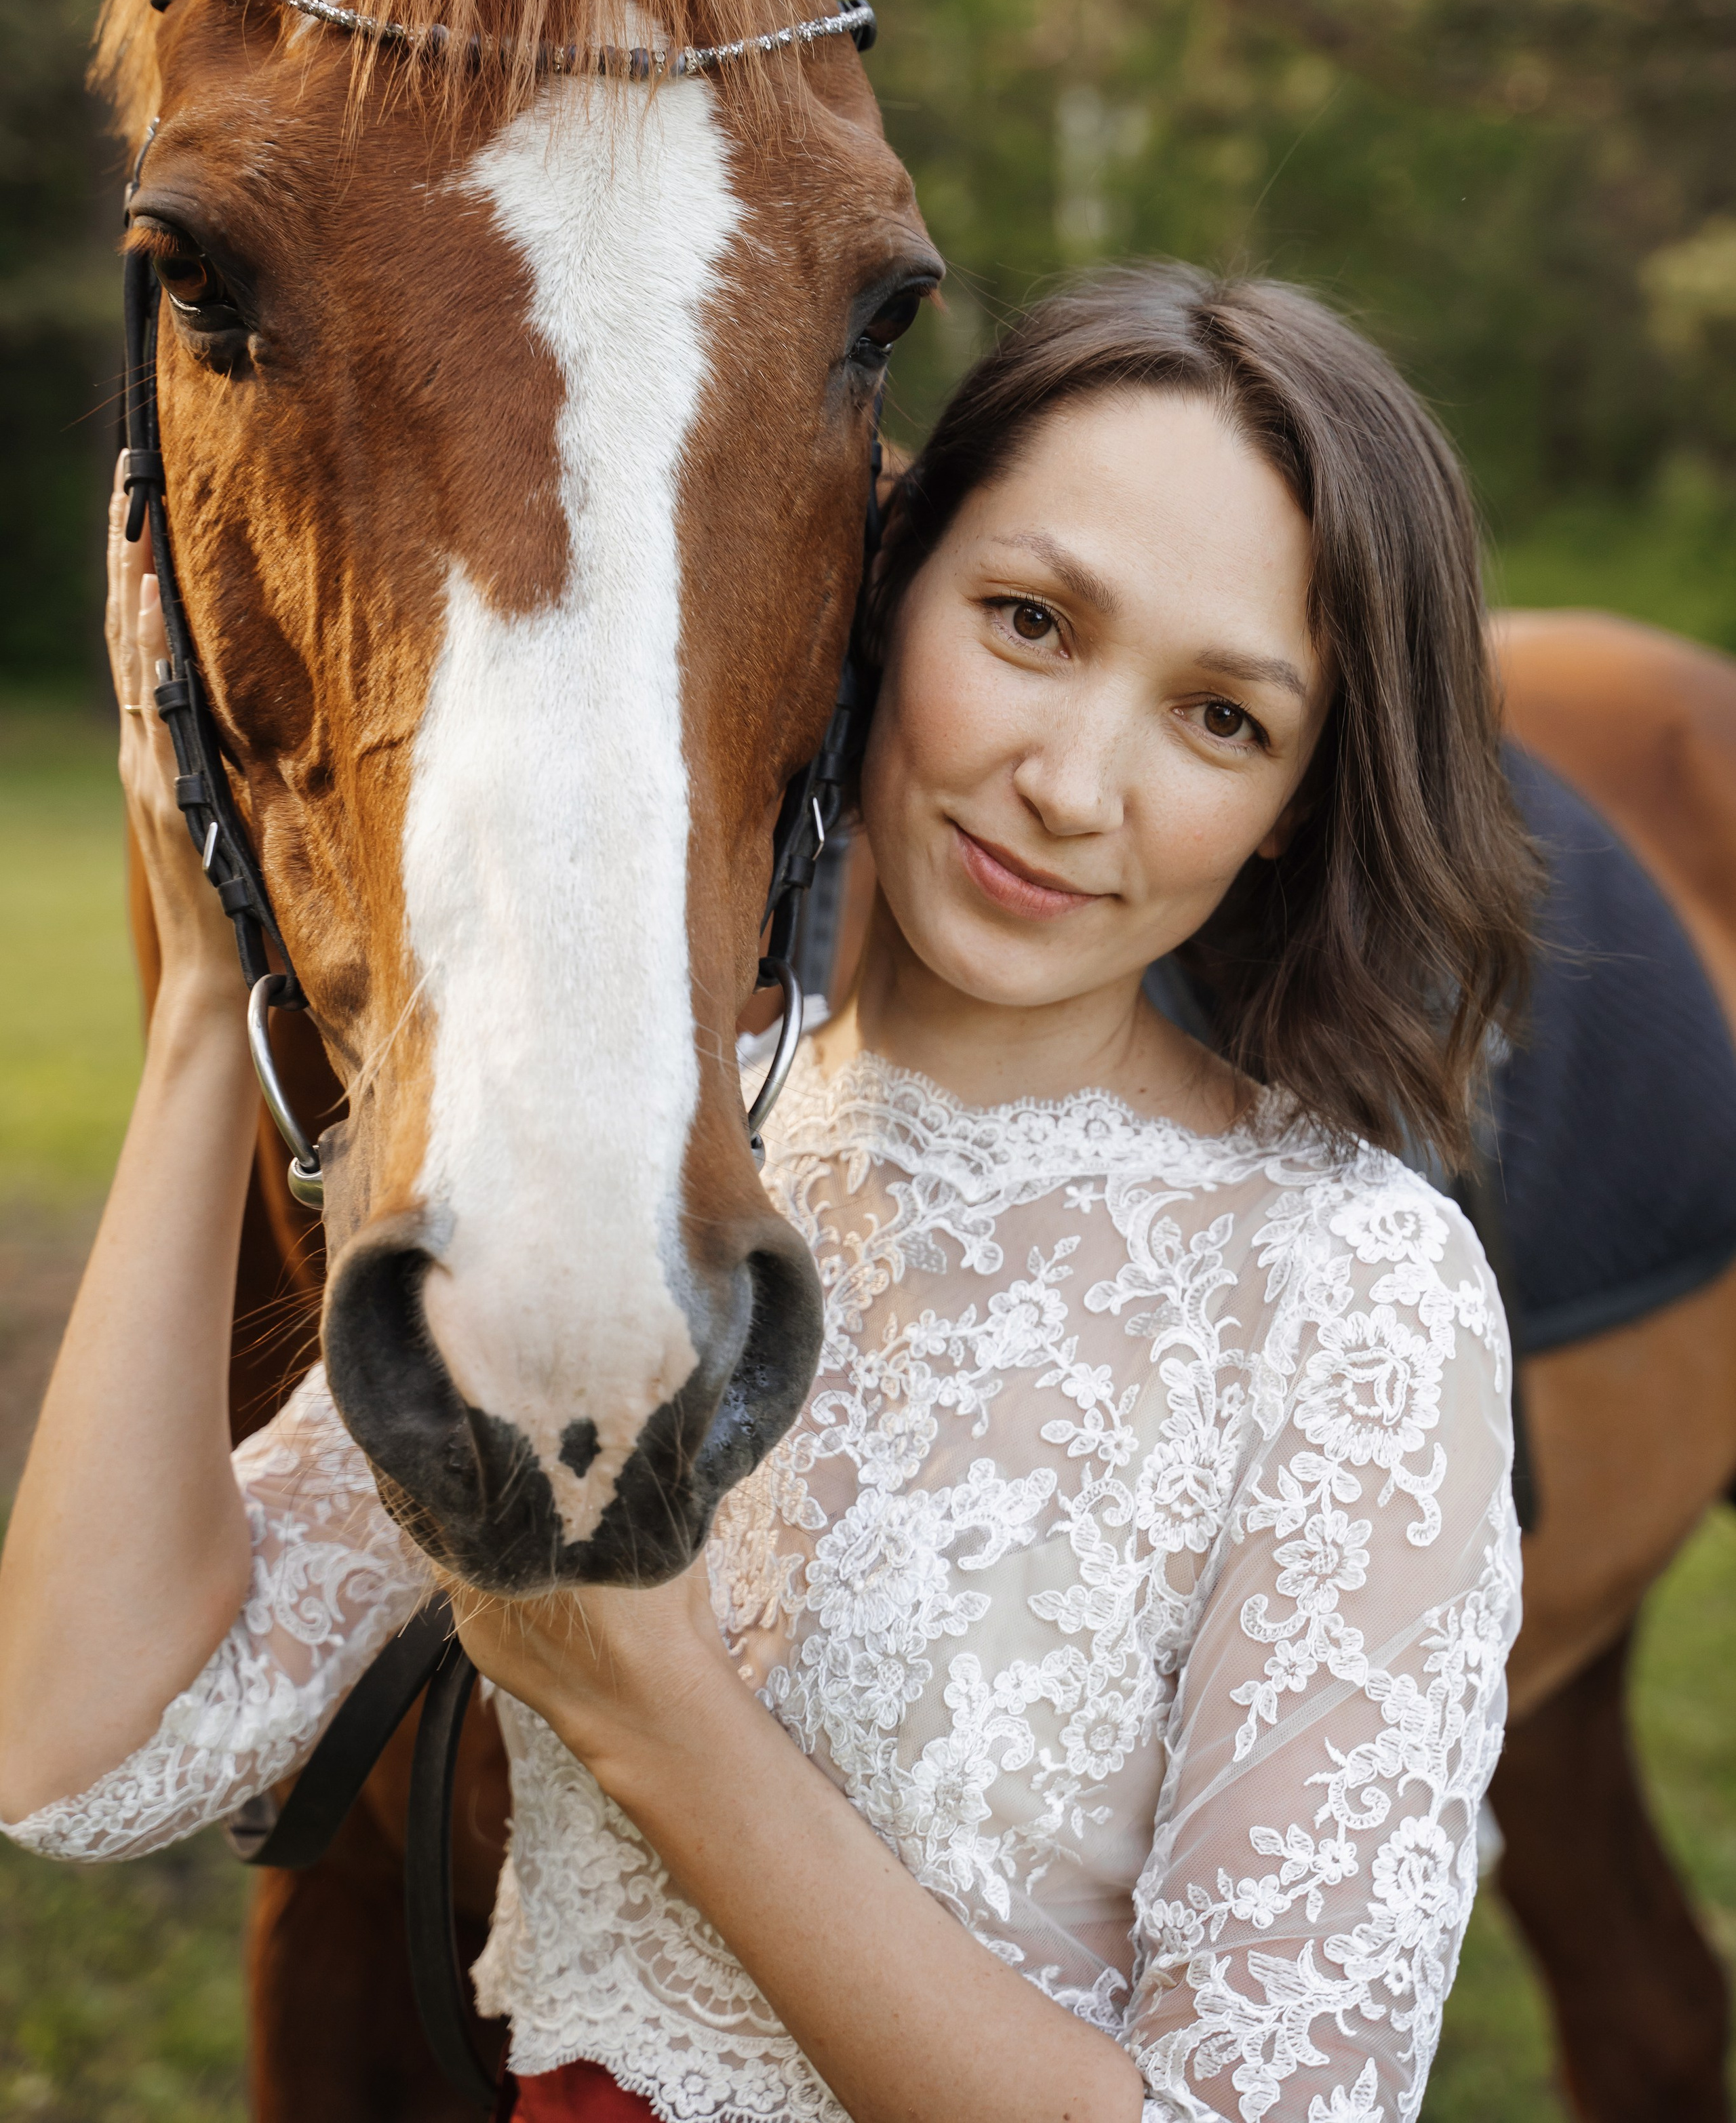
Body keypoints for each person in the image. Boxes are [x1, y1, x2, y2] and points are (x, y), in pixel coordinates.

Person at [0, 262, 1533, 2123]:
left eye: (1221, 719)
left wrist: (653, 1716)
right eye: (1034, 621)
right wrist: (189, 1005)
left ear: (1295, 798)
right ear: (881, 589)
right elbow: (78, 1745)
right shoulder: (644, 1156)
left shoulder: (1349, 1289)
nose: (1068, 782)